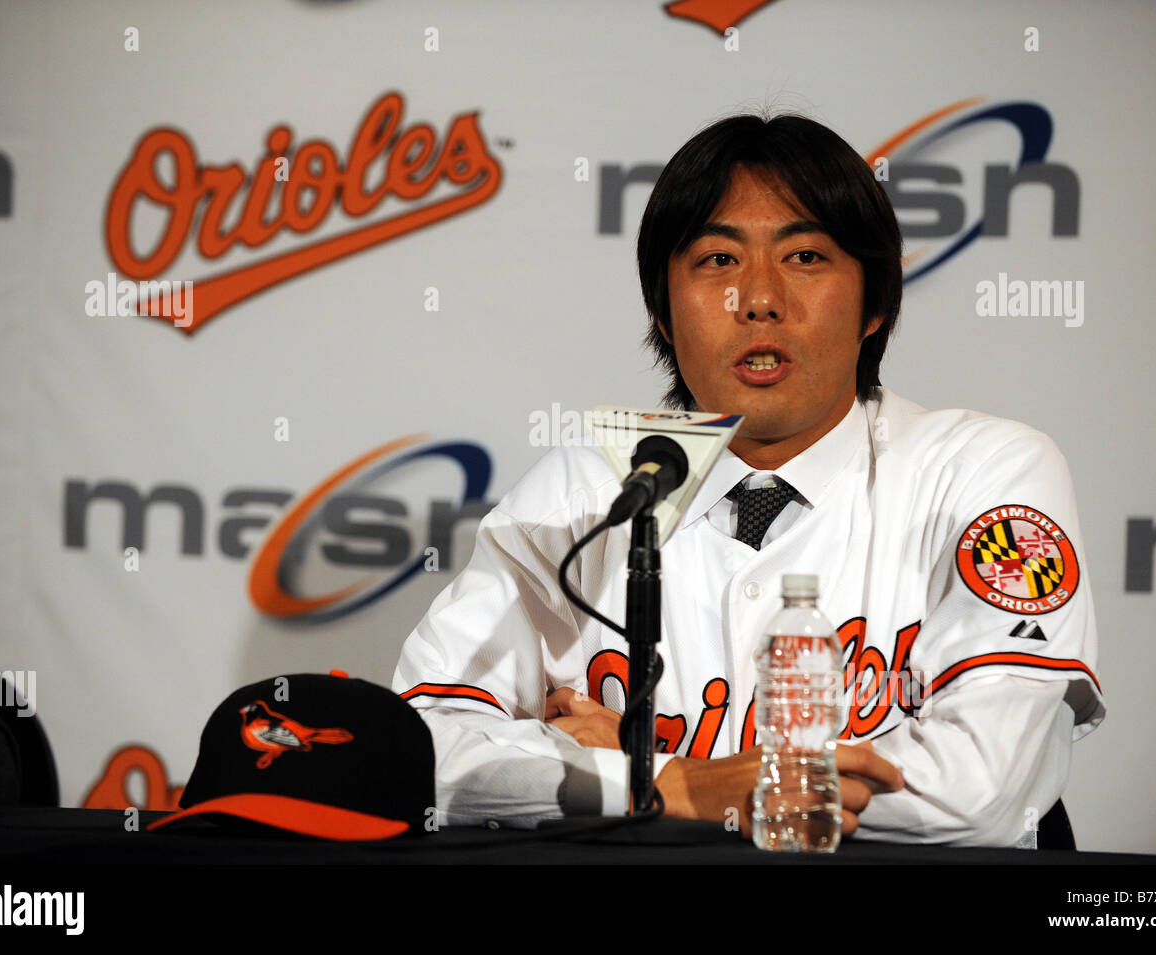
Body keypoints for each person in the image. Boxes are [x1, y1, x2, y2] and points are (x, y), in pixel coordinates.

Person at [392, 112, 1104, 846]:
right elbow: (415, 752)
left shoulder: (982, 474)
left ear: (876, 304)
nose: (757, 298)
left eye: (804, 256)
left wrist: (668, 779)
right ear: (664, 316)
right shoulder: (588, 490)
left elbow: (976, 791)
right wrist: (670, 787)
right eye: (717, 261)